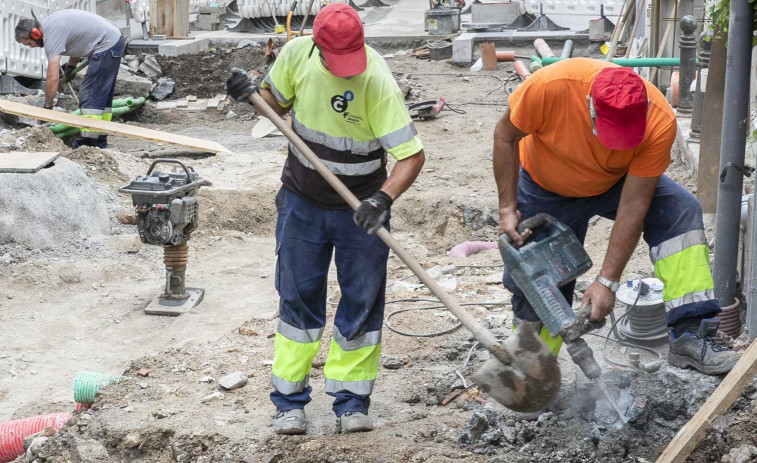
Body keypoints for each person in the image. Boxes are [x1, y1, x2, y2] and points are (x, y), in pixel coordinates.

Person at [226, 3, 425, 434]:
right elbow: (274, 106)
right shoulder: (296, 54)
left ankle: (352, 402)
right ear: (317, 46)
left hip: (363, 211)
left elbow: (412, 156)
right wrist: (250, 94)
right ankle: (289, 402)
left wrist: (383, 200)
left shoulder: (377, 79)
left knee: (361, 301)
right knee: (297, 297)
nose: (347, 71)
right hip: (302, 202)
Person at [493, 58, 739, 376]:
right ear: (590, 106)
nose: (618, 143)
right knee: (537, 279)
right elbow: (504, 136)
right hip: (546, 187)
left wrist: (607, 281)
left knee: (679, 211)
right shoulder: (549, 87)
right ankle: (532, 369)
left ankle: (690, 335)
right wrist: (507, 209)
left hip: (617, 182)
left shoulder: (659, 120)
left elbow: (634, 203)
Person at [15, 9, 124, 149]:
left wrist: (48, 107)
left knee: (90, 94)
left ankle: (88, 144)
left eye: (30, 43)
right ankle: (100, 141)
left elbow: (52, 79)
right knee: (103, 98)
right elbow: (80, 39)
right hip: (114, 40)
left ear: (35, 34)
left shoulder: (51, 35)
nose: (32, 47)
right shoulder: (51, 24)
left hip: (107, 44)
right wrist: (71, 65)